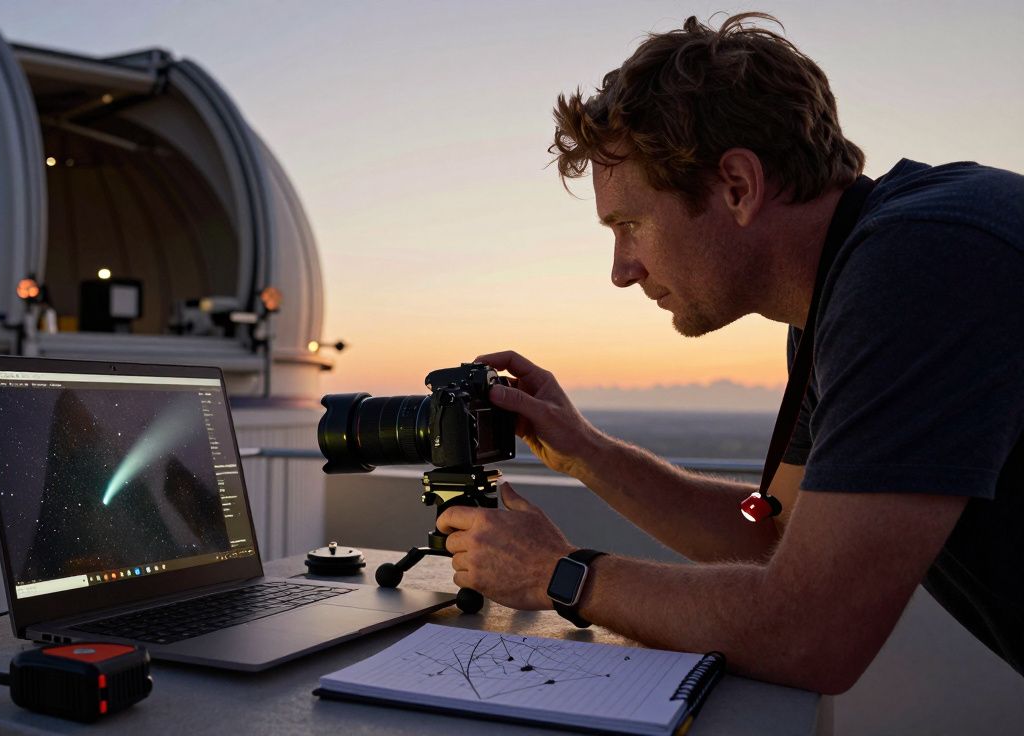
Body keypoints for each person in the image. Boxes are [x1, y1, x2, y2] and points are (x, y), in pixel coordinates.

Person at [436, 12, 1024, 695]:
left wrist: (561, 574)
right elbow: (768, 531)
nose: (621, 269)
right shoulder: (841, 293)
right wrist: (586, 453)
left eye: (629, 224)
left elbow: (812, 633)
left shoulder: (921, 265)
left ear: (738, 186)